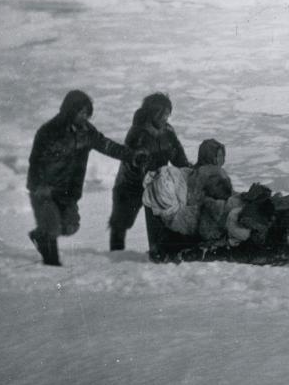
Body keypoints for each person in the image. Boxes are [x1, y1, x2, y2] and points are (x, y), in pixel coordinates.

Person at [27, 90, 148, 266]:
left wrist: (132, 156)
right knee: (51, 227)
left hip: (67, 190)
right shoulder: (49, 131)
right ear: (70, 110)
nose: (85, 116)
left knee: (70, 227)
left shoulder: (86, 130)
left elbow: (106, 145)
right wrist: (39, 186)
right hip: (45, 188)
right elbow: (35, 161)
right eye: (81, 112)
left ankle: (39, 235)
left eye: (86, 113)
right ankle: (52, 266)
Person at [108, 92, 190, 252]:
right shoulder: (138, 133)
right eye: (163, 113)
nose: (166, 117)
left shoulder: (168, 131)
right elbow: (135, 162)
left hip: (157, 183)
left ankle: (158, 250)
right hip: (130, 185)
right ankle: (116, 256)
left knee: (160, 218)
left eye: (168, 113)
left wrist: (186, 169)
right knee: (121, 223)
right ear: (153, 112)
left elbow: (177, 155)